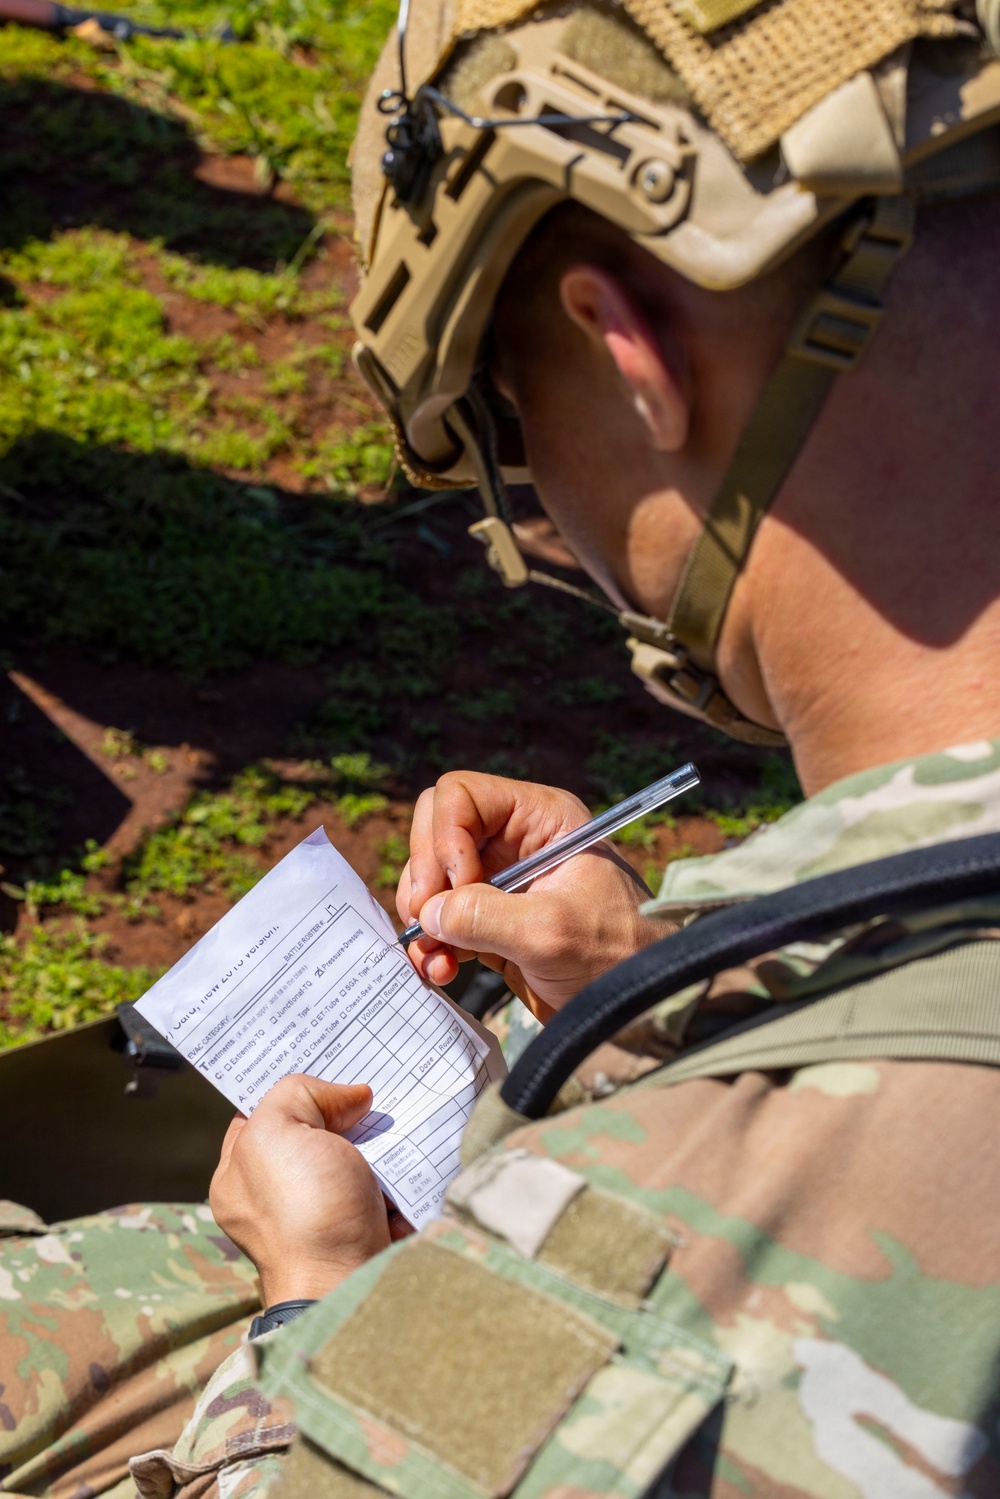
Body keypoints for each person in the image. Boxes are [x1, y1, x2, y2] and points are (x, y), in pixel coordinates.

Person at [4, 0, 1000, 1494]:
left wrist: (320, 1308)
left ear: (632, 357)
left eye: (510, 422)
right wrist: (671, 987)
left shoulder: (667, 1219)